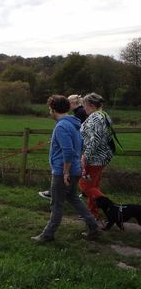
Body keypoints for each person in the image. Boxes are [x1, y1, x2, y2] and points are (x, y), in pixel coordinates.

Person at [32, 95, 100, 243]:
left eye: (50, 109)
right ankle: (94, 226)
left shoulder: (62, 126)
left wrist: (65, 172)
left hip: (63, 171)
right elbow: (80, 145)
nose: (49, 111)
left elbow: (68, 151)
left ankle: (48, 234)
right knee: (73, 197)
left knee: (56, 203)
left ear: (53, 109)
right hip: (75, 169)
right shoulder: (74, 123)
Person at [38, 94, 87, 200]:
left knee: (60, 200)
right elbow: (78, 140)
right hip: (74, 164)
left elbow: (69, 148)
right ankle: (90, 216)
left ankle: (53, 196)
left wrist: (66, 171)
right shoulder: (75, 118)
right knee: (72, 198)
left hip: (65, 167)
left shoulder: (70, 120)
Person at [79, 92, 114, 219]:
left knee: (85, 185)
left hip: (94, 159)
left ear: (91, 105)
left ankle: (113, 208)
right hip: (101, 157)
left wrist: (85, 156)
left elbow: (96, 139)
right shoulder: (104, 115)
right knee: (94, 186)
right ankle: (92, 213)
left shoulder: (96, 117)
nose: (83, 108)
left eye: (84, 105)